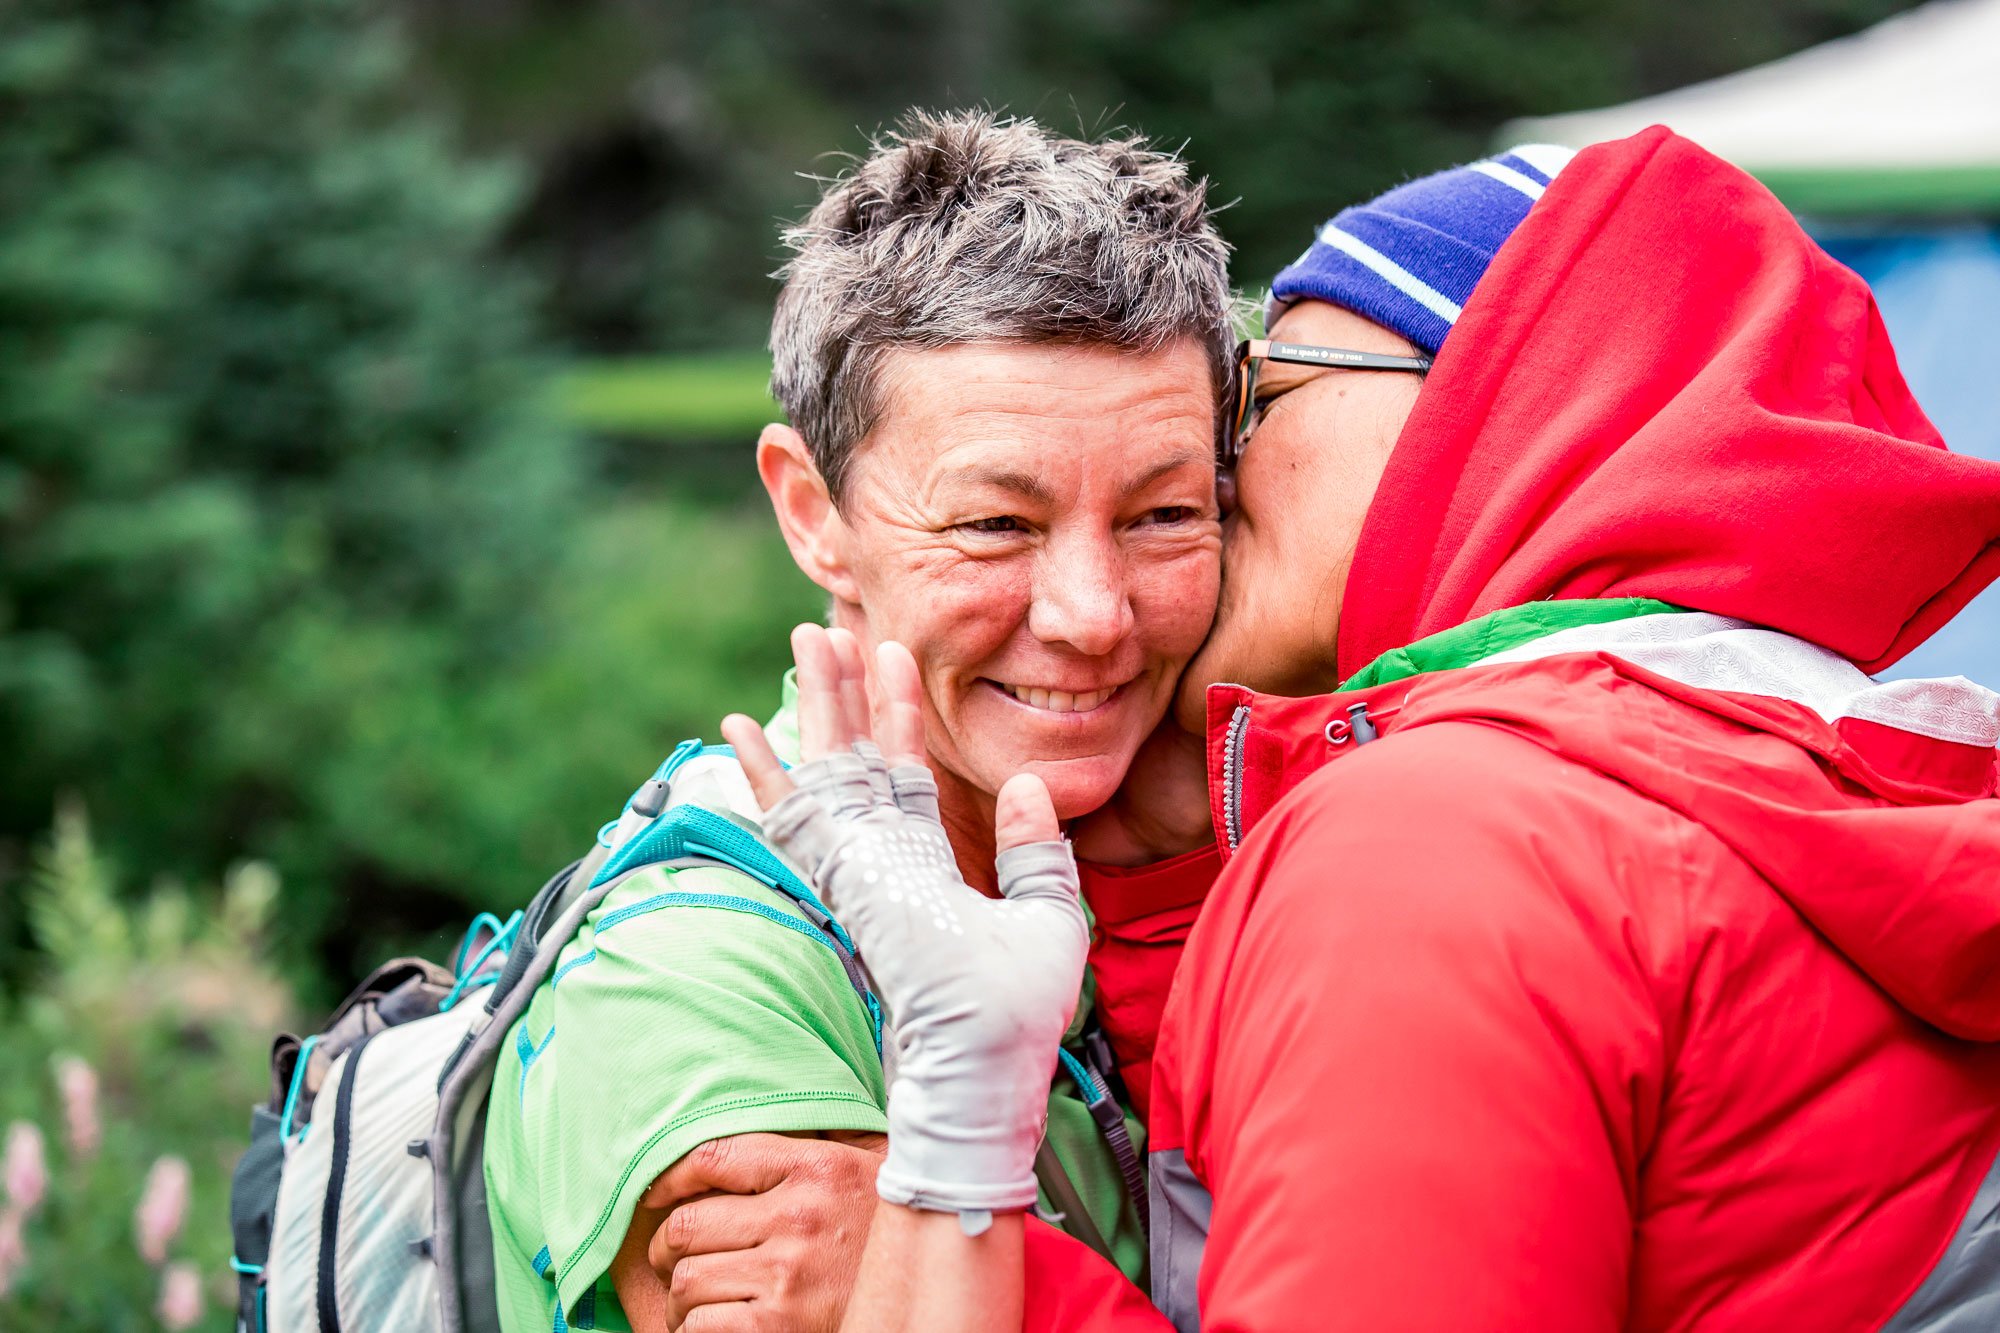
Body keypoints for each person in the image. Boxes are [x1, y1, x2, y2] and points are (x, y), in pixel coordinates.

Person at [742, 127, 2000, 1332]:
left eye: (1267, 395)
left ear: (1497, 400)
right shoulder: (1751, 765)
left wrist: (927, 1256)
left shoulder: (1447, 841)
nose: (1224, 475)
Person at [480, 110, 1232, 1333]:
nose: (1095, 616)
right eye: (996, 524)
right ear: (811, 511)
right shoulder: (696, 984)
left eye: (1162, 515)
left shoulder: (1156, 849)